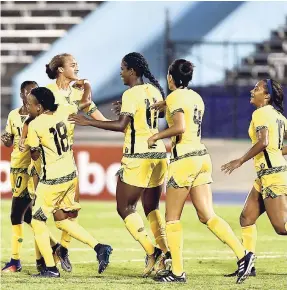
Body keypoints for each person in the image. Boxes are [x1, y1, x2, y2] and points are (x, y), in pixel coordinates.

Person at [147, 59, 255, 284]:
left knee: (172, 219)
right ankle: (244, 255)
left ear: (170, 78)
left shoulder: (175, 97)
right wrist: (164, 105)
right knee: (207, 215)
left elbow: (180, 127)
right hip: (202, 158)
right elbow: (183, 109)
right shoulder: (195, 97)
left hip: (184, 160)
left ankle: (177, 272)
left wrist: (156, 135)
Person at [69, 52, 170, 277]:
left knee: (125, 208)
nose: (121, 73)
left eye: (123, 69)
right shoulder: (154, 90)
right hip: (159, 154)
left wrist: (88, 122)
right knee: (152, 208)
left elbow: (120, 125)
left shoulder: (131, 93)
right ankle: (166, 252)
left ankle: (152, 251)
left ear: (132, 71)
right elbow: (146, 116)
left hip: (138, 156)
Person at [19, 53, 110, 272]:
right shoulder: (49, 92)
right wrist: (22, 136)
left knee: (61, 215)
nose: (77, 66)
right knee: (55, 217)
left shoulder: (77, 93)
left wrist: (118, 126)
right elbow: (31, 116)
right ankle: (48, 259)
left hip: (58, 164)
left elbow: (96, 114)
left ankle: (59, 255)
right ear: (60, 69)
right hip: (57, 165)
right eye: (72, 64)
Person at [222, 79, 287, 277]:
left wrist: (240, 160)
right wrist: (278, 153)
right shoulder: (279, 117)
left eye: (257, 89)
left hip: (272, 175)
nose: (252, 90)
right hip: (268, 174)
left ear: (266, 96)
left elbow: (263, 142)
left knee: (282, 227)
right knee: (246, 218)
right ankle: (248, 263)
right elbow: (273, 145)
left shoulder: (261, 113)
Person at [1, 81, 60, 273]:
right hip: (17, 167)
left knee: (17, 214)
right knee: (27, 215)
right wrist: (7, 140)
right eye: (28, 93)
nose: (30, 97)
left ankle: (15, 261)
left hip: (34, 170)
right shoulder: (13, 115)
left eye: (34, 94)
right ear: (21, 95)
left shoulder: (40, 118)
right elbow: (10, 141)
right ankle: (53, 247)